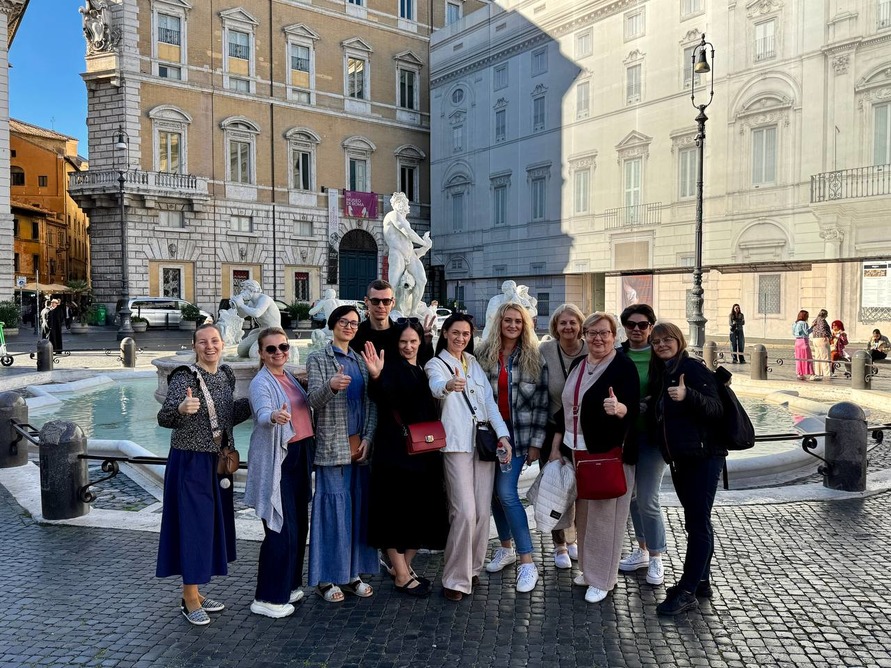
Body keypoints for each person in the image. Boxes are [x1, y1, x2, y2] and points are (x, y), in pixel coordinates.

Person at [156, 323, 251, 626]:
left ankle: (196, 591)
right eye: (203, 342)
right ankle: (189, 598)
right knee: (193, 527)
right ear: (194, 346)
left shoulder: (225, 374)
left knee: (209, 527)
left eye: (214, 341)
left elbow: (227, 416)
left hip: (218, 462)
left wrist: (258, 401)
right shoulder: (184, 376)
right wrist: (181, 409)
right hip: (190, 462)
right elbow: (164, 417)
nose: (210, 346)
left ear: (223, 344)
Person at [551, 313, 639, 604]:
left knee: (606, 520)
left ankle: (603, 579)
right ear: (585, 335)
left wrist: (620, 409)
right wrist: (558, 447)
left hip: (608, 453)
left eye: (604, 333)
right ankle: (589, 571)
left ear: (614, 336)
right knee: (585, 517)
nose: (598, 338)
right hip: (577, 452)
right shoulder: (579, 363)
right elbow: (566, 409)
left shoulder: (622, 366)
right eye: (592, 333)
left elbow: (632, 408)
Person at [425, 313, 511, 602]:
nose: (461, 338)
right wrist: (448, 386)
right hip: (456, 445)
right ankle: (454, 578)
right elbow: (436, 385)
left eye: (465, 334)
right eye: (456, 332)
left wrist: (503, 435)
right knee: (463, 511)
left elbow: (488, 403)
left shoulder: (472, 363)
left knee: (482, 512)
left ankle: (472, 568)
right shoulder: (436, 363)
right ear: (445, 333)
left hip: (482, 443)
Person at [361, 321, 449, 597]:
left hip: (422, 452)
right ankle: (401, 575)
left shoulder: (422, 366)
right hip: (395, 453)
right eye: (403, 342)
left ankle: (403, 567)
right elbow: (381, 394)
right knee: (393, 513)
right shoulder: (391, 368)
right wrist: (376, 376)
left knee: (417, 512)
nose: (408, 346)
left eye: (413, 341)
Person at [648, 322, 725, 616]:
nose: (661, 345)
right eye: (656, 341)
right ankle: (701, 582)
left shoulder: (691, 369)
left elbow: (716, 408)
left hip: (703, 456)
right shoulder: (665, 371)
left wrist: (688, 395)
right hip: (683, 458)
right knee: (697, 521)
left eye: (667, 339)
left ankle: (687, 591)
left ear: (679, 340)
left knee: (697, 523)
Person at [305, 305, 379, 603]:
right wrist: (331, 386)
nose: (349, 327)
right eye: (344, 322)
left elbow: (372, 403)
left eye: (354, 323)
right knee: (331, 513)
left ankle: (351, 573)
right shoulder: (317, 358)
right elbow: (312, 401)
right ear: (333, 324)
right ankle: (326, 577)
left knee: (356, 512)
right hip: (332, 448)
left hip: (359, 447)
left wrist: (369, 437)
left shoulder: (360, 360)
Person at [476, 302, 549, 593]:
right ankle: (505, 548)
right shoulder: (482, 355)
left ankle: (527, 561)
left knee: (506, 493)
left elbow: (542, 404)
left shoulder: (534, 357)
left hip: (519, 435)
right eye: (508, 320)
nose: (513, 325)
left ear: (525, 324)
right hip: (489, 435)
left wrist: (536, 444)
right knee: (495, 494)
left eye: (518, 321)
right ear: (499, 322)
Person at [244, 327, 314, 618]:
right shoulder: (261, 382)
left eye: (283, 347)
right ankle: (267, 597)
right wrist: (273, 416)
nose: (278, 353)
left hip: (300, 454)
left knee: (298, 527)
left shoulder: (289, 377)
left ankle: (289, 585)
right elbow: (262, 412)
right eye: (271, 349)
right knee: (280, 528)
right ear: (261, 353)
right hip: (279, 459)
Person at [616, 304, 667, 588]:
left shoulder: (661, 355)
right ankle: (643, 549)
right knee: (634, 497)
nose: (637, 329)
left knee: (648, 499)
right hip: (625, 436)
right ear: (624, 327)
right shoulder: (617, 354)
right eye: (631, 324)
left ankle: (657, 556)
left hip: (653, 437)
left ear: (651, 326)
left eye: (643, 324)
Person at [537, 304, 587, 568]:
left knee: (582, 489)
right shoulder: (545, 350)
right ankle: (560, 545)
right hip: (552, 431)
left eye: (573, 322)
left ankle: (574, 538)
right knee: (556, 488)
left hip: (584, 431)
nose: (568, 327)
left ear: (581, 325)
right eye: (563, 323)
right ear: (555, 327)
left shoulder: (591, 349)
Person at [351, 279, 434, 364]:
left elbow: (423, 363)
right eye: (375, 301)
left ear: (393, 302)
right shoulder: (355, 333)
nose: (381, 306)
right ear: (366, 301)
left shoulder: (401, 333)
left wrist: (427, 343)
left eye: (386, 301)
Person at [383, 192, 432, 317]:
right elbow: (407, 231)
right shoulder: (393, 215)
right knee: (393, 285)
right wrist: (423, 242)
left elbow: (412, 246)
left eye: (404, 202)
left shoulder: (405, 220)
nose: (402, 205)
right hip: (397, 253)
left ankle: (413, 311)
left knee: (422, 280)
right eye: (399, 202)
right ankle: (390, 310)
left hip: (410, 255)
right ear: (394, 205)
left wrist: (426, 247)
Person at [231, 280, 282, 358]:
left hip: (274, 332)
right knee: (241, 350)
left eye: (244, 289)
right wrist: (238, 306)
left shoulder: (265, 299)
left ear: (252, 290)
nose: (242, 292)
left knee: (254, 354)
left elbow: (257, 313)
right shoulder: (251, 302)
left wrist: (241, 305)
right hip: (263, 331)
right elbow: (242, 315)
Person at [793, 310, 814, 380]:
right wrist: (812, 327)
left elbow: (793, 333)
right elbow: (806, 332)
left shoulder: (795, 323)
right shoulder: (804, 323)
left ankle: (800, 373)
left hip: (797, 342)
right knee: (808, 357)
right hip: (803, 341)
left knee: (799, 358)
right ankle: (811, 373)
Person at [811, 309, 831, 379]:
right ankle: (827, 373)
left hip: (815, 339)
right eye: (826, 314)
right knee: (825, 356)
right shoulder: (822, 320)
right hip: (822, 339)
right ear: (824, 314)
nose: (827, 316)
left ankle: (818, 372)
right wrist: (827, 335)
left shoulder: (815, 320)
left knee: (818, 357)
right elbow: (822, 329)